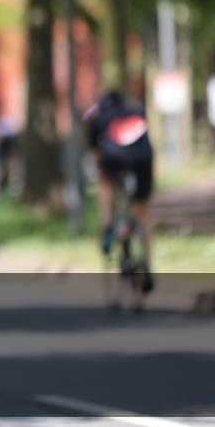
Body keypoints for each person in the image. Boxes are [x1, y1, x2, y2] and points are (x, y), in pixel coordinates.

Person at [83, 91, 155, 292]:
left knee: (104, 182)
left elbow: (95, 156)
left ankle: (108, 229)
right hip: (143, 158)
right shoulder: (137, 111)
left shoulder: (99, 118)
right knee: (144, 210)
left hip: (114, 159)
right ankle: (148, 264)